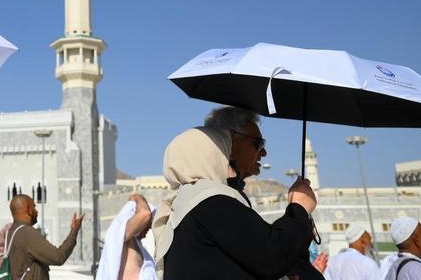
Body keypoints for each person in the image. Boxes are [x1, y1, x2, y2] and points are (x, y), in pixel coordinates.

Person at [153, 126, 322, 280]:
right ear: (210, 156)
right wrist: (298, 209)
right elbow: (271, 256)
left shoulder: (186, 204)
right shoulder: (210, 202)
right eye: (225, 151)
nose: (228, 159)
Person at [7, 194, 84, 280]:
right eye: (34, 207)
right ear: (29, 209)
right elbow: (58, 257)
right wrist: (74, 232)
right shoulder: (27, 233)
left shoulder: (12, 232)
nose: (36, 212)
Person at [203, 106, 266, 202]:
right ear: (230, 142)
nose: (264, 153)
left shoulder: (227, 192)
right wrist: (295, 206)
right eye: (258, 143)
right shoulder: (214, 198)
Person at [95, 193, 154, 280]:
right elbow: (145, 214)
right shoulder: (117, 234)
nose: (148, 229)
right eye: (147, 225)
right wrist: (138, 197)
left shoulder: (137, 245)